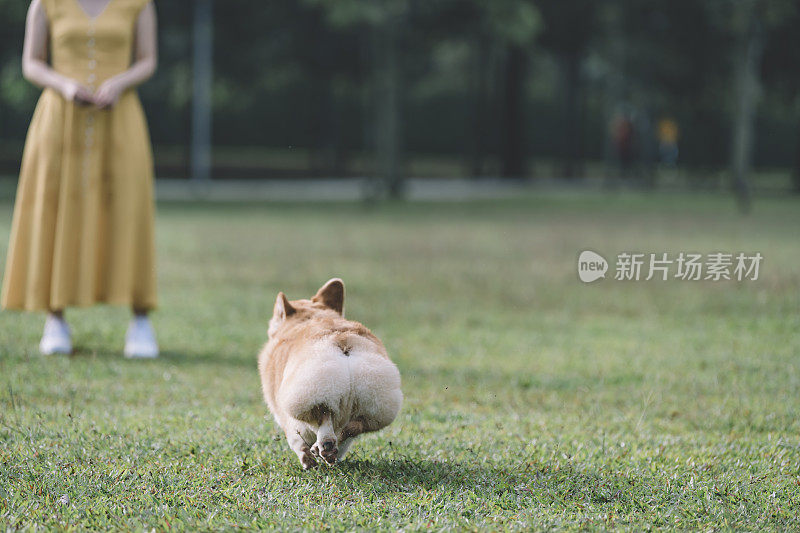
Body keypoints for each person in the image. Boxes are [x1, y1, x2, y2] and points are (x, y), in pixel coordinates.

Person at [1, 0, 159, 358]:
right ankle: (55, 317)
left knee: (128, 210)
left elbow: (147, 59)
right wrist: (63, 84)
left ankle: (140, 319)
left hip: (121, 120)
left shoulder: (139, 3)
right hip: (59, 120)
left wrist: (119, 82)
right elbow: (32, 62)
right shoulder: (45, 3)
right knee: (55, 210)